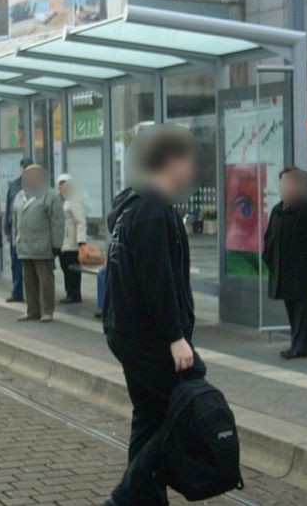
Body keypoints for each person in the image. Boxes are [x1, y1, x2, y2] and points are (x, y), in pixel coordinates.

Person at [103, 125, 206, 506]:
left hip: (130, 333)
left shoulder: (133, 204)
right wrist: (175, 336)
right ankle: (128, 497)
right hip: (149, 338)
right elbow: (157, 282)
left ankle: (147, 499)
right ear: (171, 161)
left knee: (149, 418)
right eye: (188, 160)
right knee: (172, 418)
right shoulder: (151, 210)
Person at [263, 167, 307, 359]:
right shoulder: (278, 210)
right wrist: (267, 257)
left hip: (302, 271)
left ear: (298, 186)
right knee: (291, 308)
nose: (284, 188)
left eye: (288, 183)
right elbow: (270, 237)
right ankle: (298, 342)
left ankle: (300, 346)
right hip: (283, 270)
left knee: (302, 309)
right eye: (282, 183)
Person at [13, 165, 64, 323]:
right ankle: (32, 310)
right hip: (25, 245)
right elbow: (16, 220)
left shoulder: (50, 195)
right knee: (29, 281)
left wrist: (56, 244)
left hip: (43, 245)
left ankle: (47, 311)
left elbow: (57, 222)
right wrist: (16, 239)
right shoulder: (21, 195)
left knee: (45, 280)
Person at [4, 158, 33, 302]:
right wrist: (7, 229)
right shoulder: (14, 185)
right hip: (15, 230)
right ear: (21, 168)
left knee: (30, 265)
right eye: (25, 167)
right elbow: (9, 207)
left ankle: (33, 295)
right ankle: (17, 292)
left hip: (31, 231)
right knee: (15, 263)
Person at [57, 173, 87, 304]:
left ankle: (75, 294)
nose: (62, 187)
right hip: (62, 242)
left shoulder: (73, 200)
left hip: (72, 243)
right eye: (61, 184)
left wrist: (81, 241)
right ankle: (69, 292)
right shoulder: (60, 200)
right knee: (65, 268)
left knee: (73, 270)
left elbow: (80, 221)